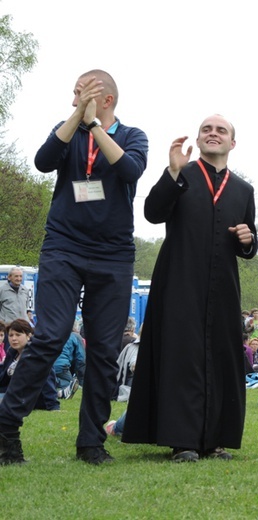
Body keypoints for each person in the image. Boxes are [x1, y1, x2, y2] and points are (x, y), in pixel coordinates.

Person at [0, 69, 148, 466]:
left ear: (106, 99)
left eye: (80, 94)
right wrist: (77, 119)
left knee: (102, 349)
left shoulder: (133, 136)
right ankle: (6, 426)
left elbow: (130, 170)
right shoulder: (67, 131)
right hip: (64, 247)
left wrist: (95, 123)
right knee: (50, 334)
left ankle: (90, 443)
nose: (73, 101)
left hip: (113, 254)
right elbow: (43, 161)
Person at [123, 114, 258, 463]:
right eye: (206, 130)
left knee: (221, 359)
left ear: (232, 143)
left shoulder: (243, 190)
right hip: (179, 281)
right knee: (181, 357)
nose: (213, 134)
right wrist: (171, 172)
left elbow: (248, 246)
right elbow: (153, 213)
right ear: (198, 140)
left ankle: (215, 440)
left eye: (221, 130)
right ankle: (181, 440)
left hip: (223, 288)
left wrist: (248, 240)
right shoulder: (181, 175)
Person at [0, 320, 59, 411]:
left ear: (29, 336)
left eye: (18, 335)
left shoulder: (37, 355)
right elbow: (3, 380)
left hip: (32, 399)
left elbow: (47, 381)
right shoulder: (11, 353)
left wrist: (53, 406)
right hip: (14, 395)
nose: (14, 338)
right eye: (11, 335)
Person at [53, 323, 85, 399]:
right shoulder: (75, 336)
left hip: (48, 366)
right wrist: (82, 381)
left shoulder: (52, 334)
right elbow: (81, 359)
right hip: (62, 366)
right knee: (69, 387)